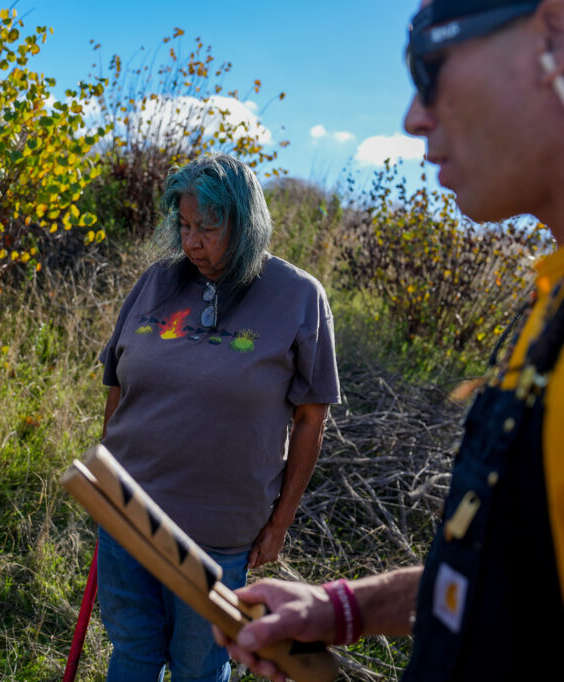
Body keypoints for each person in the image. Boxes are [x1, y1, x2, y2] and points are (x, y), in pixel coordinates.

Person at [215, 0, 564, 680]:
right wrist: (344, 609)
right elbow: (525, 564)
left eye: (429, 67)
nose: (413, 116)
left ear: (555, 33)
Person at [96, 152, 341, 681]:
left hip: (216, 529)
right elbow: (115, 382)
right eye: (184, 226)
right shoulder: (157, 282)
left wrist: (280, 522)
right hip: (125, 510)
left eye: (208, 227)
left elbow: (309, 421)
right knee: (133, 652)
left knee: (198, 667)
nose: (191, 242)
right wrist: (104, 481)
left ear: (247, 224)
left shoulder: (298, 296)